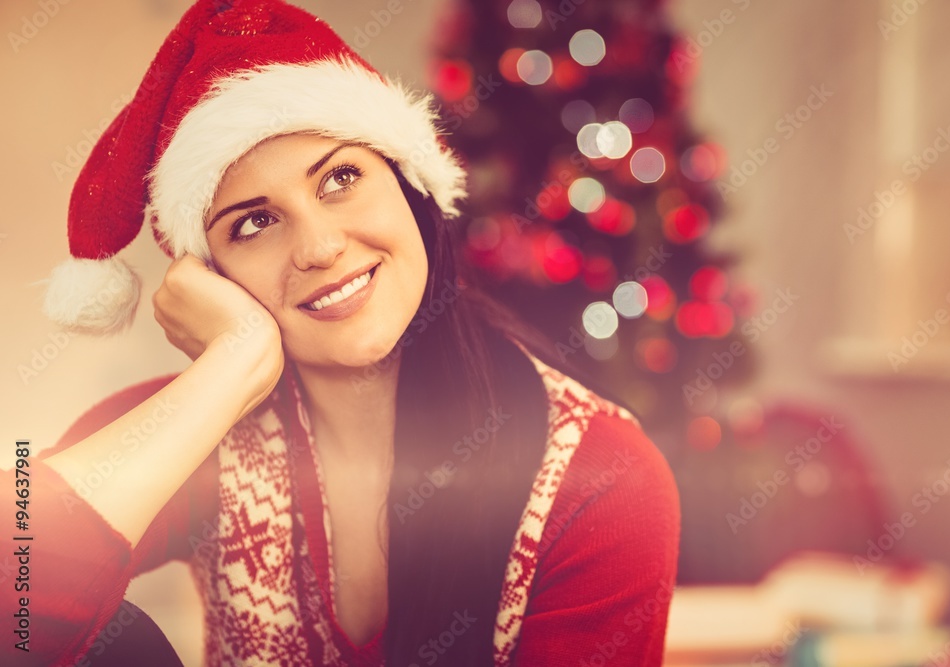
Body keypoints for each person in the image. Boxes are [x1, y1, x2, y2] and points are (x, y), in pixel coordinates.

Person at [2, 1, 680, 665]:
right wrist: (229, 367)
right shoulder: (200, 432)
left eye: (341, 178)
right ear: (212, 277)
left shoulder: (600, 478)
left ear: (410, 186)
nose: (320, 247)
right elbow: (12, 602)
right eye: (253, 222)